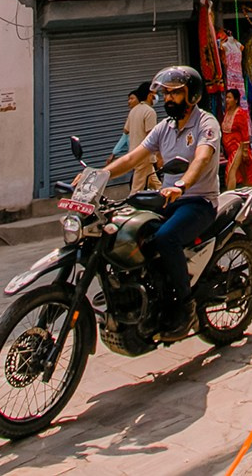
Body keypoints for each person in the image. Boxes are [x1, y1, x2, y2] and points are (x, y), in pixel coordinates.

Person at [103, 64, 222, 333]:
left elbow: (203, 157)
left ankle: (185, 304)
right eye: (166, 93)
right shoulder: (164, 127)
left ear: (192, 95)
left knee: (166, 237)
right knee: (130, 228)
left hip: (198, 201)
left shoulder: (206, 123)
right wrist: (100, 174)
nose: (168, 98)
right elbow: (134, 157)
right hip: (168, 200)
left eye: (176, 93)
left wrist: (182, 184)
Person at [112, 82, 159, 193]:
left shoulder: (134, 110)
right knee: (137, 189)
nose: (156, 97)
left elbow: (126, 130)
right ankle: (132, 207)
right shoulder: (150, 112)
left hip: (134, 153)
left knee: (155, 182)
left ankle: (168, 201)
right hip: (144, 155)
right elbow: (151, 135)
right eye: (154, 94)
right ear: (149, 95)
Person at [221, 87, 252, 189]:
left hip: (237, 148)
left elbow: (245, 133)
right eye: (226, 97)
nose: (227, 100)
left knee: (230, 171)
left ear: (236, 100)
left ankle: (229, 196)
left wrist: (244, 151)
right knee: (243, 174)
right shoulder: (227, 112)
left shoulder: (240, 113)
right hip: (229, 149)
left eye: (229, 98)